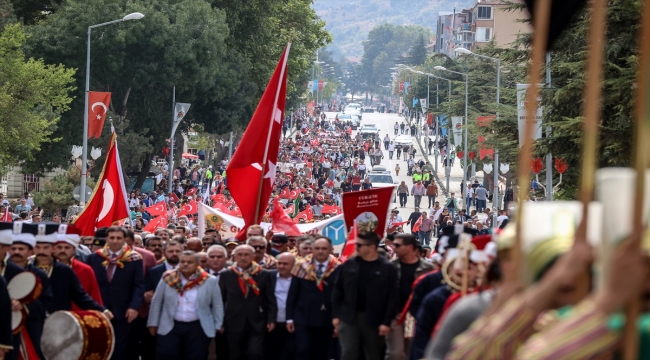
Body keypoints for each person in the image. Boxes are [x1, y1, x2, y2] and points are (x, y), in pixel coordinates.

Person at [332, 231, 399, 360]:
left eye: (359, 245)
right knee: (348, 353)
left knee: (372, 354)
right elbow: (338, 291)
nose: (356, 247)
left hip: (374, 318)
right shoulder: (349, 264)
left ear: (372, 247)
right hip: (349, 317)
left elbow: (393, 297)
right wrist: (336, 315)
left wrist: (386, 322)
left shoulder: (387, 268)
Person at [148, 251, 224, 360]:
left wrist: (217, 324)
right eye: (182, 261)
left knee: (195, 356)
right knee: (166, 353)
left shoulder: (208, 280)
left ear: (198, 264)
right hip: (170, 324)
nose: (185, 264)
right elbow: (157, 301)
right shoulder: (168, 277)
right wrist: (153, 323)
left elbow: (217, 304)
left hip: (198, 326)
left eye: (189, 262)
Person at [86, 226, 145, 360]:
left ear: (124, 239)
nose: (115, 241)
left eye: (118, 238)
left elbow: (139, 285)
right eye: (112, 238)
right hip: (98, 308)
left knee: (119, 347)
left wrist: (134, 307)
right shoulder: (94, 258)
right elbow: (88, 285)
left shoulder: (135, 259)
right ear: (106, 239)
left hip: (123, 310)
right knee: (98, 345)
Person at [219, 245, 277, 360]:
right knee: (235, 355)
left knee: (254, 353)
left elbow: (270, 299)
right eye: (239, 255)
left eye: (246, 255)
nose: (243, 258)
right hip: (233, 321)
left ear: (253, 257)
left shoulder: (264, 274)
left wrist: (271, 319)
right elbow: (221, 299)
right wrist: (219, 322)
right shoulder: (226, 274)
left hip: (257, 321)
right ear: (234, 257)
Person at [287, 237, 340, 360]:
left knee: (321, 352)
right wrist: (289, 318)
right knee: (303, 349)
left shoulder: (338, 268)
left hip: (327, 318)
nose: (320, 251)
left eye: (324, 248)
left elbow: (342, 296)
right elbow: (292, 293)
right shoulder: (300, 266)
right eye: (317, 248)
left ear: (331, 250)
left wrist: (339, 319)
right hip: (303, 317)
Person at [385, 234, 434, 360]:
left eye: (397, 245)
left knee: (412, 353)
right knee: (395, 353)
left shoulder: (428, 269)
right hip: (395, 315)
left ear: (410, 247)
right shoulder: (390, 267)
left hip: (417, 316)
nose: (393, 247)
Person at [7, 228, 53, 359]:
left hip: (31, 326)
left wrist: (23, 307)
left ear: (30, 251)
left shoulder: (39, 275)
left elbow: (46, 301)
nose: (16, 252)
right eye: (13, 248)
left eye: (21, 249)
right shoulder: (3, 271)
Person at [265, 253, 296, 360]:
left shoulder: (300, 279)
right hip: (271, 324)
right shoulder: (268, 276)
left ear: (294, 265)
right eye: (279, 263)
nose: (281, 266)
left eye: (285, 264)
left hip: (291, 324)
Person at [206, 245, 230, 360]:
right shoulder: (198, 275)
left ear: (226, 258)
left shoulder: (234, 275)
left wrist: (222, 322)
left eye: (219, 256)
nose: (215, 259)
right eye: (212, 256)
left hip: (228, 324)